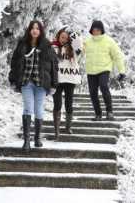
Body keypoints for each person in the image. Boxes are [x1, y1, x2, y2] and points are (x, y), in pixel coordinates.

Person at [8, 20, 58, 152]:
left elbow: (54, 66)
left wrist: (54, 84)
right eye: (32, 28)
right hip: (26, 82)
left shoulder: (47, 46)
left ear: (41, 31)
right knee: (27, 109)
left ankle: (37, 138)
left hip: (41, 83)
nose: (35, 30)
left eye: (37, 28)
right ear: (29, 30)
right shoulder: (22, 44)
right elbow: (14, 63)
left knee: (39, 110)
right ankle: (26, 141)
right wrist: (13, 80)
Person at [83, 20, 127, 121]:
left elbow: (117, 56)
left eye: (98, 30)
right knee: (93, 92)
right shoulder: (87, 41)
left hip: (104, 69)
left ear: (101, 30)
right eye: (94, 30)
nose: (96, 32)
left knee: (103, 86)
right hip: (91, 71)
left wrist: (122, 71)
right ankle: (98, 114)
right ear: (91, 30)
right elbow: (79, 52)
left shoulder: (109, 41)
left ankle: (109, 112)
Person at [51, 28, 82, 139]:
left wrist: (73, 33)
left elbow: (79, 43)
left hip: (70, 80)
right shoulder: (53, 48)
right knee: (57, 104)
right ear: (58, 36)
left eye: (66, 38)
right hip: (57, 80)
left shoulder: (73, 49)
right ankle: (57, 131)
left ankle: (68, 127)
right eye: (62, 37)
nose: (64, 39)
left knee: (69, 103)